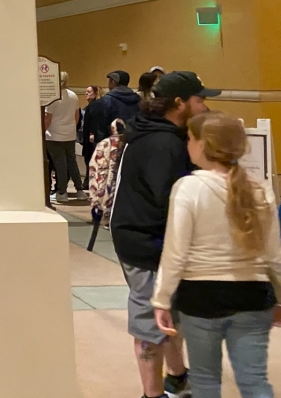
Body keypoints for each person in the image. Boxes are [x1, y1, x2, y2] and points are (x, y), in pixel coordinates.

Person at [153, 112, 281, 398]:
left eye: (190, 138)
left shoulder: (189, 187)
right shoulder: (260, 189)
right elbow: (275, 255)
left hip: (201, 296)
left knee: (206, 380)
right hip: (254, 295)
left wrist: (161, 299)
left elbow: (176, 252)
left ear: (202, 145)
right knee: (254, 381)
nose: (187, 144)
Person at [111, 70, 220, 398]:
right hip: (146, 243)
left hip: (140, 235)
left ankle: (177, 377)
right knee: (150, 318)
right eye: (199, 99)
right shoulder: (164, 143)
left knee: (167, 313)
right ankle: (152, 393)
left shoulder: (147, 130)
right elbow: (173, 200)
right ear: (179, 103)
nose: (204, 106)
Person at [44, 71, 83, 204]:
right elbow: (76, 116)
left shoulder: (53, 97)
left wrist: (41, 132)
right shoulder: (73, 96)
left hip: (54, 135)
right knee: (72, 163)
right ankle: (80, 190)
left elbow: (47, 119)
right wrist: (71, 128)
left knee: (60, 164)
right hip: (70, 134)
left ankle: (62, 192)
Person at [90, 70, 141, 144]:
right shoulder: (138, 99)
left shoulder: (105, 101)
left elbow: (101, 129)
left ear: (113, 82)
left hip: (112, 144)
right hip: (132, 142)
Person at [80, 84, 101, 188]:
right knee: (87, 158)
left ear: (96, 93)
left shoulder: (95, 106)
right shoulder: (88, 107)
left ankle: (89, 181)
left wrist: (92, 133)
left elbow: (95, 122)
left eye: (89, 91)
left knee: (90, 159)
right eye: (86, 91)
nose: (86, 93)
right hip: (87, 137)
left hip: (91, 138)